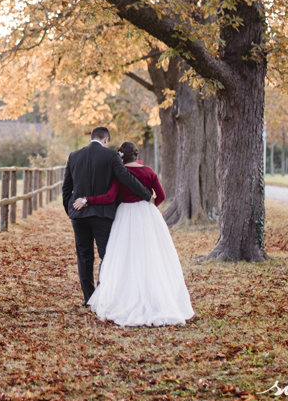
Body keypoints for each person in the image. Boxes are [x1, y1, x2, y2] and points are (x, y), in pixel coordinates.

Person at [75, 141, 194, 326]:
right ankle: (156, 296)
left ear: (121, 157)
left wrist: (87, 200)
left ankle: (124, 297)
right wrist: (148, 208)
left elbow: (109, 197)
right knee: (151, 255)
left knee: (125, 256)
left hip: (125, 216)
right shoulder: (149, 172)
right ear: (136, 155)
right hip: (147, 214)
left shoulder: (119, 174)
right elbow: (160, 195)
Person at [62, 127, 153, 307]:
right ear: (106, 140)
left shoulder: (74, 156)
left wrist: (70, 210)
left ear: (91, 139)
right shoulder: (111, 156)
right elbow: (126, 178)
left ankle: (89, 299)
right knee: (107, 256)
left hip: (79, 215)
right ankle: (102, 296)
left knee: (84, 256)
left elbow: (66, 188)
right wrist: (147, 195)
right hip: (102, 215)